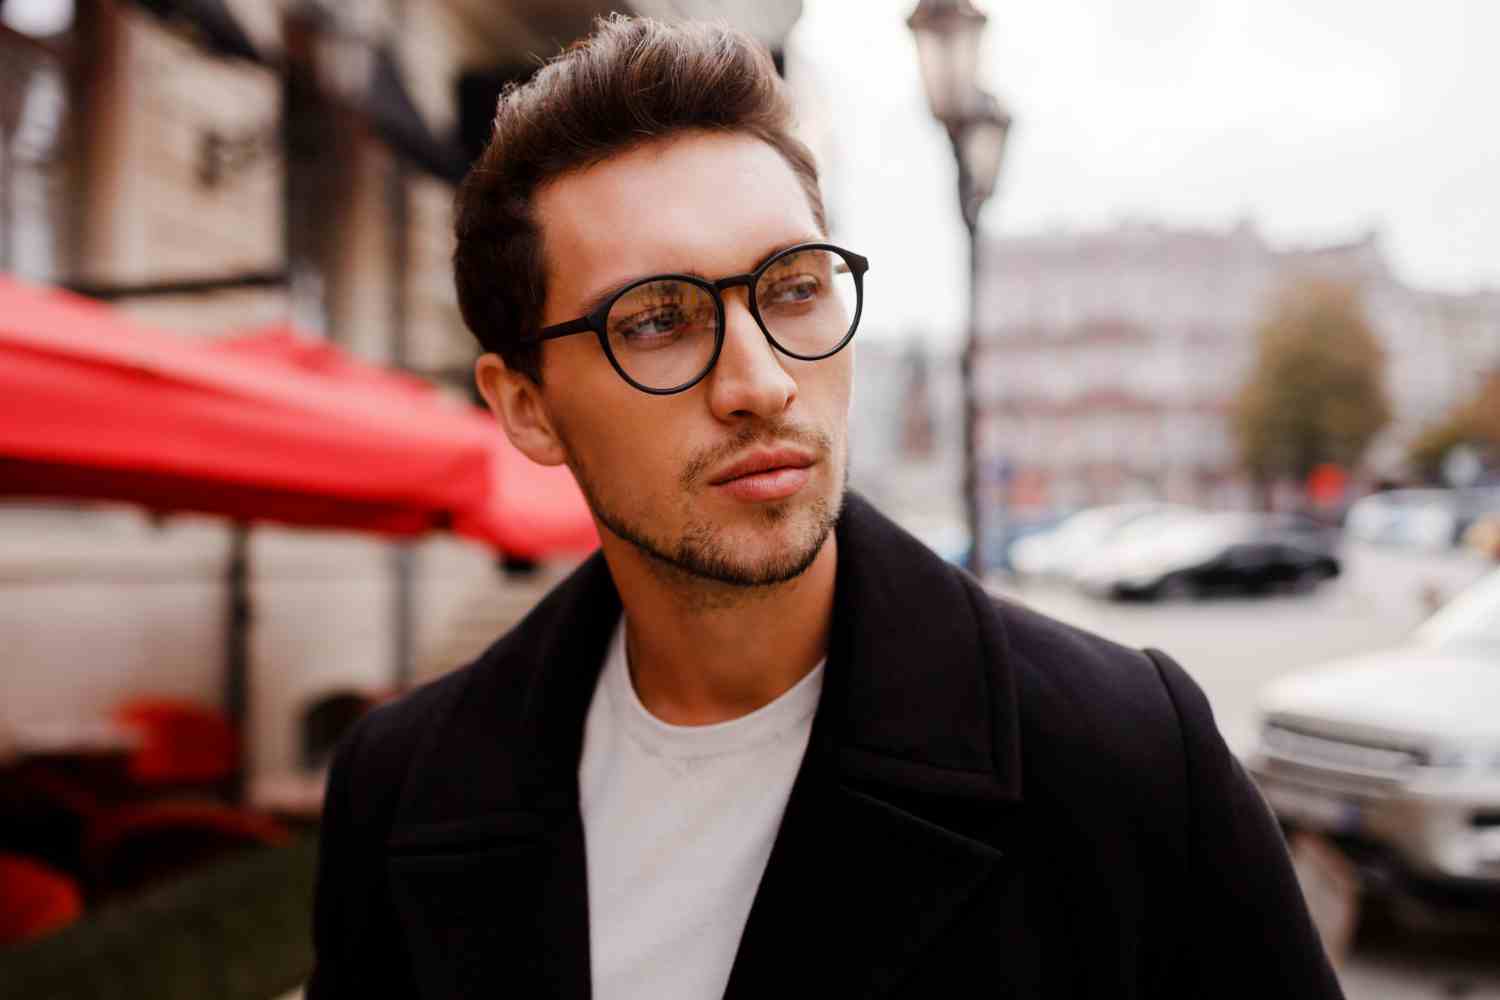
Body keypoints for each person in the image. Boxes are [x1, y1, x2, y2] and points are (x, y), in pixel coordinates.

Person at [308, 15, 1344, 999]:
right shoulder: (399, 790)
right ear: (527, 408)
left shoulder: (1129, 757)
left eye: (794, 288)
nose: (759, 381)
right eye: (659, 318)